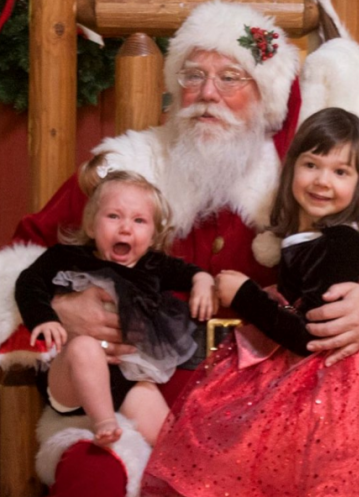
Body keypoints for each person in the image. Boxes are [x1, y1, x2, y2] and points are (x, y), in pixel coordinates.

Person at [0, 0, 359, 496]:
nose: (207, 94)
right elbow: (17, 265)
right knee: (92, 480)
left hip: (264, 422)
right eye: (193, 75)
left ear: (265, 96)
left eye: (231, 78)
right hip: (130, 406)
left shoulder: (303, 183)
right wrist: (62, 309)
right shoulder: (127, 170)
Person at [142, 108, 359, 496]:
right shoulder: (306, 241)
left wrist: (246, 296)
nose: (322, 181)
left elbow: (306, 336)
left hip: (333, 394)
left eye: (340, 172)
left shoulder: (341, 243)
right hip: (313, 385)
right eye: (312, 165)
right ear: (292, 166)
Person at [15, 171, 216, 446]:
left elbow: (190, 272)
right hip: (69, 378)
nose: (125, 228)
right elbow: (29, 282)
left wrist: (203, 280)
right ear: (90, 225)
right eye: (113, 216)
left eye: (139, 220)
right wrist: (44, 318)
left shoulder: (153, 265)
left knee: (172, 443)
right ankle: (105, 423)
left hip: (127, 377)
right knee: (84, 347)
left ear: (153, 233)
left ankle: (191, 478)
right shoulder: (67, 258)